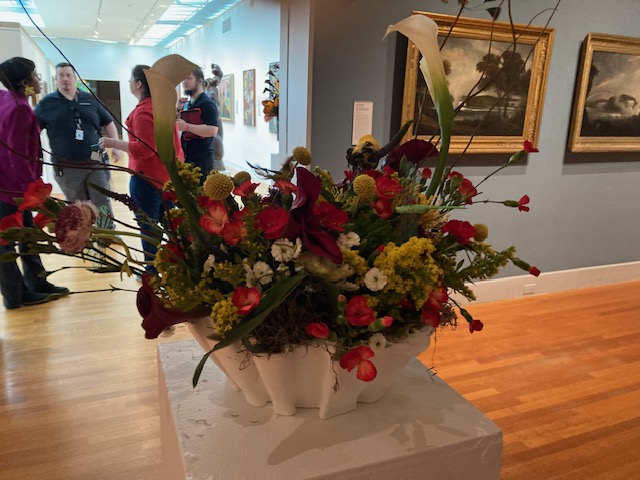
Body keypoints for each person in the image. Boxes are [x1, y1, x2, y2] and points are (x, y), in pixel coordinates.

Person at [99, 65, 184, 274]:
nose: (129, 82)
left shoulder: (144, 112)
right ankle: (179, 266)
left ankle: (152, 272)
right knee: (171, 226)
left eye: (131, 79)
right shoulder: (162, 108)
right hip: (166, 178)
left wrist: (114, 143)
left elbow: (145, 149)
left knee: (149, 228)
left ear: (138, 84)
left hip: (147, 179)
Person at [0, 57, 69, 309]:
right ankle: (15, 295)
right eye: (35, 75)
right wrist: (32, 192)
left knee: (28, 237)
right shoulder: (19, 108)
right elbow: (18, 156)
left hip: (10, 185)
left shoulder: (6, 98)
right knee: (8, 241)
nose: (39, 80)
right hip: (13, 189)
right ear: (24, 82)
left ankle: (37, 282)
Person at [35, 62, 121, 230]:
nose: (65, 79)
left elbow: (108, 122)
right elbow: (33, 131)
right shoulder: (46, 104)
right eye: (61, 76)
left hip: (95, 159)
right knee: (78, 205)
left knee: (102, 199)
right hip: (67, 165)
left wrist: (116, 146)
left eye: (69, 75)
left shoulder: (90, 99)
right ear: (56, 79)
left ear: (75, 78)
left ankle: (107, 232)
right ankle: (86, 235)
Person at [176, 66, 219, 182]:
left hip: (202, 159)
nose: (184, 82)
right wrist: (178, 109)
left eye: (189, 78)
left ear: (199, 81)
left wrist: (186, 127)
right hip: (188, 156)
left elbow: (212, 130)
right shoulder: (189, 103)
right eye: (183, 78)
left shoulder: (207, 104)